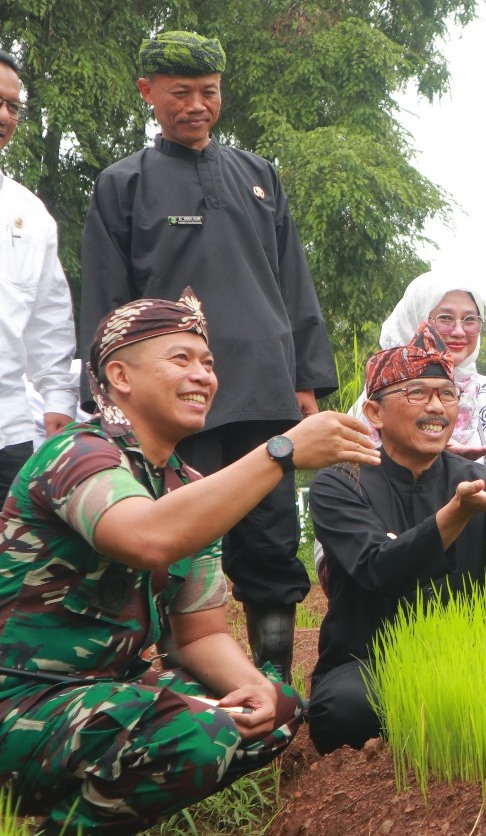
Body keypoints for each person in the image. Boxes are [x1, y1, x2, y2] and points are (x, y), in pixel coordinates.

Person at [0, 290, 379, 834]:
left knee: (277, 711)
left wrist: (255, 688)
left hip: (106, 696)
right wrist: (282, 452)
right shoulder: (78, 456)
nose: (204, 376)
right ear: (120, 375)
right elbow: (147, 537)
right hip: (22, 701)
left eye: (208, 363)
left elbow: (199, 635)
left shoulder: (186, 486)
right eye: (181, 359)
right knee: (196, 731)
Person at [78, 31, 339, 675]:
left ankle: (275, 674)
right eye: (181, 93)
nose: (197, 105)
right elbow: (107, 299)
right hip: (174, 402)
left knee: (272, 537)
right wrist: (106, 398)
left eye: (210, 93)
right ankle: (184, 676)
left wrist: (308, 378)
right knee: (184, 535)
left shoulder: (258, 176)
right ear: (148, 94)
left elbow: (292, 281)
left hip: (263, 386)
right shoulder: (123, 185)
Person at [307, 321, 486, 755]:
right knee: (345, 711)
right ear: (374, 413)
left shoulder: (478, 477)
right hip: (368, 655)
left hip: (466, 653)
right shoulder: (340, 481)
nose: (437, 407)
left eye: (446, 395)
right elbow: (376, 567)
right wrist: (454, 516)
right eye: (417, 393)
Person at [375, 272, 486, 498]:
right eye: (445, 318)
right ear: (415, 318)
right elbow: (360, 485)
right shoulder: (381, 396)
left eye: (469, 320)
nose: (458, 331)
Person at [0, 48, 77, 496]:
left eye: (13, 106)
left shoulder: (30, 213)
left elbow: (49, 317)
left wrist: (58, 397)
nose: (5, 116)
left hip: (8, 431)